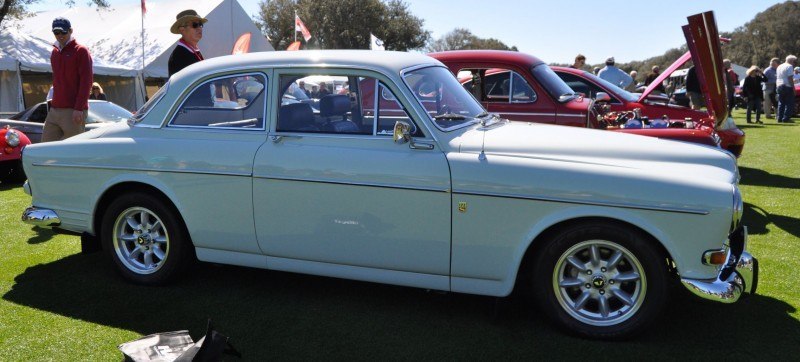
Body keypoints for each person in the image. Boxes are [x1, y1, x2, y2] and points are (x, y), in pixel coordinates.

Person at [41, 17, 93, 143]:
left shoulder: (81, 51)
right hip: (55, 109)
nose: (60, 35)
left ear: (70, 31)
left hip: (73, 110)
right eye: (56, 32)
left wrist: (79, 108)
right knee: (45, 148)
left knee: (72, 151)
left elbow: (86, 82)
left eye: (63, 32)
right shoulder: (54, 53)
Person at [168, 9, 207, 77]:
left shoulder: (191, 50)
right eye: (194, 25)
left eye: (200, 24)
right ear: (182, 30)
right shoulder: (179, 56)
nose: (199, 28)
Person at [776, 55, 796, 123]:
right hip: (787, 86)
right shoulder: (789, 66)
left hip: (779, 85)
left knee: (781, 103)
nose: (794, 63)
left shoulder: (779, 66)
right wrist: (793, 88)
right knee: (789, 103)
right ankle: (786, 118)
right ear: (791, 61)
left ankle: (779, 117)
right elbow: (790, 78)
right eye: (794, 61)